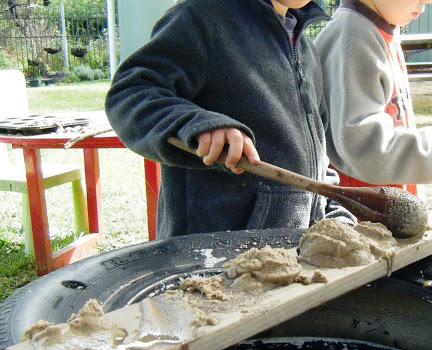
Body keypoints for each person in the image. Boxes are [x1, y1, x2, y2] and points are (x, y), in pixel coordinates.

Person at [105, 0, 355, 239]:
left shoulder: (306, 50)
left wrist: (334, 215)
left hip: (289, 254)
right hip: (210, 256)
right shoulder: (201, 17)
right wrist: (196, 124)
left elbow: (318, 158)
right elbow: (131, 92)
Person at [314, 0, 432, 193]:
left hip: (384, 209)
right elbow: (365, 148)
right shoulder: (352, 38)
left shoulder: (377, 29)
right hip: (361, 215)